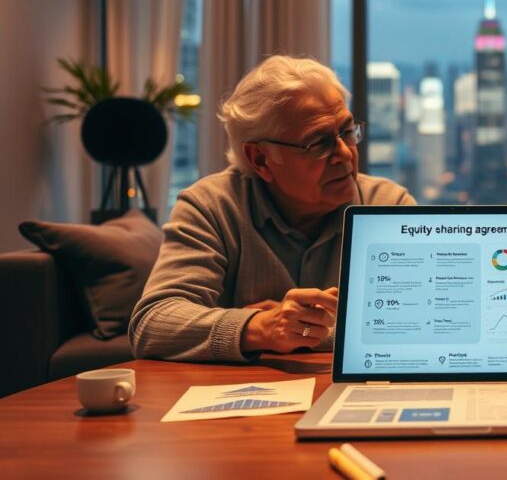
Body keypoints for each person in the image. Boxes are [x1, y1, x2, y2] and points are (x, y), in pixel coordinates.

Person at [129, 55, 415, 362]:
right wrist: (259, 327)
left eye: (347, 132)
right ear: (260, 159)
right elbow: (153, 323)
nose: (344, 154)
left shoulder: (387, 205)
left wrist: (269, 329)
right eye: (318, 143)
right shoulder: (211, 206)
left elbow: (417, 326)